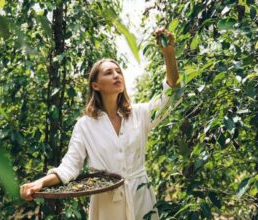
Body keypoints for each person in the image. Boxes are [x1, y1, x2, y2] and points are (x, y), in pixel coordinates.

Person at [20, 27, 181, 220]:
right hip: (106, 205)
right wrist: (40, 183)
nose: (116, 75)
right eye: (108, 72)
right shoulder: (85, 125)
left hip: (140, 197)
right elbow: (69, 167)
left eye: (118, 71)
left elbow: (170, 95)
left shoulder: (139, 114)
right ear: (95, 85)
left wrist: (169, 54)